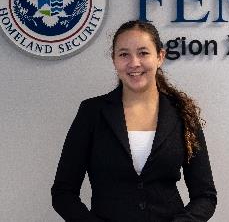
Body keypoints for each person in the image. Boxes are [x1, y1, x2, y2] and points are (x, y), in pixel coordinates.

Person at [51, 20, 217, 222]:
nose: (134, 63)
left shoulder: (181, 113)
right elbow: (63, 192)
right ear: (114, 60)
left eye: (143, 53)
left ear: (160, 57)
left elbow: (205, 196)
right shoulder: (92, 113)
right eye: (124, 54)